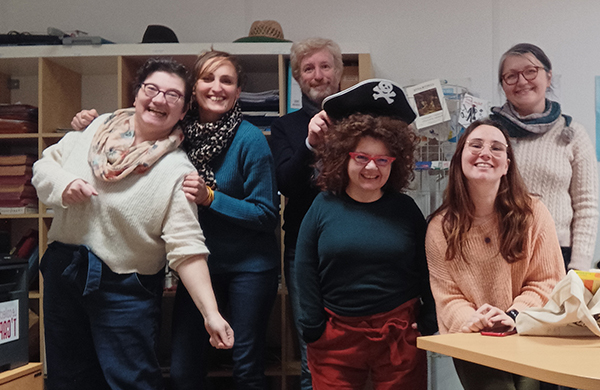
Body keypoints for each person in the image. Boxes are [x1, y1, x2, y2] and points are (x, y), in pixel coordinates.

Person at [70, 50, 280, 390]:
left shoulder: (250, 139)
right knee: (183, 368)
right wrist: (89, 123)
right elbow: (132, 127)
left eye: (226, 81)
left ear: (238, 91)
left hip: (249, 268)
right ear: (193, 88)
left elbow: (266, 213)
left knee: (246, 366)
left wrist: (211, 197)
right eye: (208, 78)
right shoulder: (177, 132)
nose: (217, 87)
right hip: (197, 265)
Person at [32, 58, 233, 390]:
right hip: (64, 272)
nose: (159, 99)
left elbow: (187, 249)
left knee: (131, 382)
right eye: (151, 88)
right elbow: (45, 166)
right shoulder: (95, 129)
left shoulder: (176, 171)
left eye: (172, 95)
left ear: (183, 111)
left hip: (124, 289)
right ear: (137, 93)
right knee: (69, 380)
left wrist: (211, 313)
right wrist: (64, 185)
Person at [295, 79, 437, 390]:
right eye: (362, 157)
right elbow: (303, 268)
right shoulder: (322, 206)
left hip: (399, 335)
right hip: (335, 336)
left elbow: (428, 268)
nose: (371, 168)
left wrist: (430, 320)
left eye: (382, 159)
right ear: (343, 157)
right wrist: (312, 326)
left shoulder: (406, 209)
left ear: (394, 163)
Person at [426, 118, 565, 390]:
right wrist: (471, 319)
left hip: (527, 330)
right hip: (474, 337)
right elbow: (447, 295)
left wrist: (513, 315)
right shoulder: (439, 228)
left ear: (507, 165)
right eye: (475, 145)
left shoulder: (533, 214)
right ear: (460, 159)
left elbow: (548, 281)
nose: (485, 153)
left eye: (496, 148)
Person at [269, 37, 343, 390]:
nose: (318, 75)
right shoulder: (286, 126)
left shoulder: (360, 120)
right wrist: (310, 145)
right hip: (304, 249)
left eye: (325, 66)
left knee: (356, 344)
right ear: (298, 78)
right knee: (311, 347)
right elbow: (285, 183)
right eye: (308, 69)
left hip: (356, 245)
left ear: (338, 72)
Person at [490, 43, 598, 272]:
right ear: (503, 85)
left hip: (557, 253)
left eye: (530, 71)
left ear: (548, 77)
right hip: (497, 248)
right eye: (511, 76)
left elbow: (587, 205)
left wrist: (578, 267)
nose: (521, 81)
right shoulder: (489, 135)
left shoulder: (572, 134)